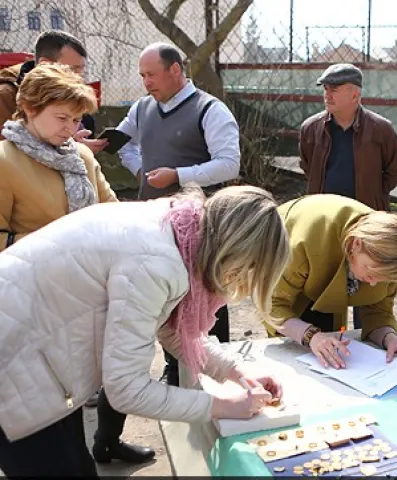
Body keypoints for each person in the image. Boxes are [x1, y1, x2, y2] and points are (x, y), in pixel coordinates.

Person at [0, 185, 290, 476]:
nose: (239, 280)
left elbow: (172, 329)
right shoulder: (157, 263)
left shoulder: (181, 229)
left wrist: (237, 372)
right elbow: (126, 389)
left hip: (38, 359)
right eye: (249, 268)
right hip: (14, 365)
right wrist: (222, 405)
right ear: (235, 251)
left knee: (77, 466)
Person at [116, 42, 239, 386]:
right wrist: (139, 169)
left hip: (201, 226)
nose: (146, 83)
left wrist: (179, 176)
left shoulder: (209, 110)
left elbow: (229, 164)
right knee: (163, 293)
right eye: (142, 75)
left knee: (206, 295)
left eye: (151, 74)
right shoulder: (142, 108)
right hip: (155, 223)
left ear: (175, 70)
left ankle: (217, 368)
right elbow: (121, 142)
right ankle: (175, 366)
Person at [264, 194, 397, 369]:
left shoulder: (387, 258)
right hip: (283, 246)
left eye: (383, 278)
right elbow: (272, 305)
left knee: (331, 343)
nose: (374, 283)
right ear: (356, 244)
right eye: (371, 271)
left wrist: (390, 338)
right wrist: (310, 336)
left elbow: (378, 312)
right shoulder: (305, 244)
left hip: (328, 263)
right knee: (292, 357)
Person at [0, 63, 115, 251]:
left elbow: (113, 214)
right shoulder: (4, 160)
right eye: (62, 118)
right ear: (30, 108)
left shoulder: (82, 155)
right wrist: (61, 244)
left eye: (76, 120)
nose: (70, 128)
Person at [299, 63, 397, 212]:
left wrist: (373, 195)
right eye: (325, 89)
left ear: (355, 95)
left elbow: (393, 172)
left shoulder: (381, 129)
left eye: (334, 89)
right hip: (322, 215)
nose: (327, 95)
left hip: (365, 217)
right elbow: (307, 167)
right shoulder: (310, 129)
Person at [0, 30, 106, 153]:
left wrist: (78, 150)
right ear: (45, 64)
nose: (79, 77)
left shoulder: (77, 97)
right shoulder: (5, 96)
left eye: (75, 120)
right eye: (71, 69)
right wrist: (69, 149)